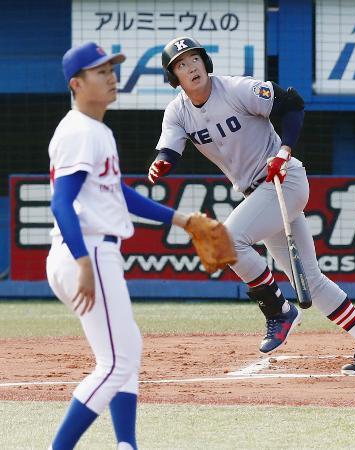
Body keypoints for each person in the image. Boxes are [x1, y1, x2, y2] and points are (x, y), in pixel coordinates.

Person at [148, 36, 355, 375]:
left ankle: (278, 311)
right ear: (174, 76)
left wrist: (284, 151)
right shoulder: (178, 111)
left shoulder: (235, 89)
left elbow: (291, 102)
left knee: (227, 239)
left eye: (194, 59)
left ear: (205, 62)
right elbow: (170, 149)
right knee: (310, 280)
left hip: (284, 180)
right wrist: (161, 163)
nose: (190, 67)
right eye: (181, 64)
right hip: (259, 194)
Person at [46, 42, 200, 450]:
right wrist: (82, 262)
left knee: (125, 350)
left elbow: (119, 194)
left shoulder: (96, 130)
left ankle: (125, 444)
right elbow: (61, 201)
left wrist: (181, 219)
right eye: (101, 72)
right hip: (88, 250)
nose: (112, 76)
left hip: (93, 251)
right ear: (77, 84)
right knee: (117, 363)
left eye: (112, 68)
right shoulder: (81, 131)